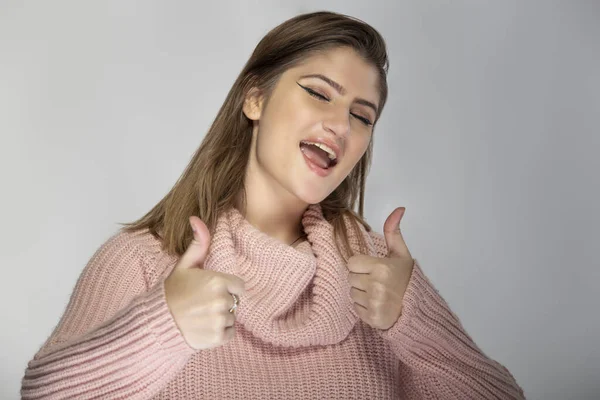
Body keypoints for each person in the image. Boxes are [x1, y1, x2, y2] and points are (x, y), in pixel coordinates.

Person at [20, 11, 525, 399]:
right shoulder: (142, 260)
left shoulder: (379, 274)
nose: (341, 126)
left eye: (362, 116)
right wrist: (161, 327)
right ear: (254, 99)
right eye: (319, 93)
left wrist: (414, 320)